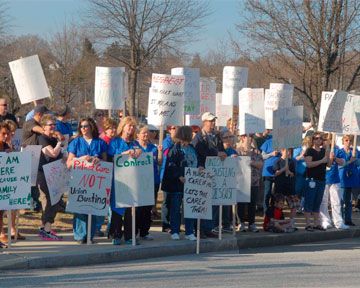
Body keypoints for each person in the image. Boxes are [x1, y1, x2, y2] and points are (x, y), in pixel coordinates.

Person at [67, 117, 107, 244]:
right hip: (79, 179)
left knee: (93, 207)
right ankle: (80, 235)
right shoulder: (76, 142)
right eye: (81, 126)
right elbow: (69, 163)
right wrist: (81, 159)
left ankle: (90, 235)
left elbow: (106, 162)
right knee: (80, 207)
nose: (83, 129)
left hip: (96, 180)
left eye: (86, 126)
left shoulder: (100, 143)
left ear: (91, 127)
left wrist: (99, 160)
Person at [192, 112, 226, 238]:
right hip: (203, 172)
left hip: (215, 173)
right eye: (210, 121)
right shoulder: (198, 138)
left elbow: (221, 149)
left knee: (214, 201)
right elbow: (200, 152)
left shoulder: (216, 137)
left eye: (213, 121)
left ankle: (209, 227)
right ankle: (200, 229)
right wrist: (216, 154)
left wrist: (223, 153)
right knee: (203, 202)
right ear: (204, 122)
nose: (213, 123)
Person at [107, 116, 141, 245]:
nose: (131, 128)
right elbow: (111, 158)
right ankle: (115, 234)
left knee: (130, 210)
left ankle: (129, 236)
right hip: (118, 180)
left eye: (133, 126)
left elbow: (143, 157)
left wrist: (138, 152)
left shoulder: (135, 143)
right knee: (117, 208)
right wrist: (124, 153)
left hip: (131, 181)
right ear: (123, 127)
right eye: (129, 125)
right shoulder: (115, 142)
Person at [162, 126, 198, 241]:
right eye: (191, 133)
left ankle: (189, 231)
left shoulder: (192, 148)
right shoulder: (174, 149)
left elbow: (197, 161)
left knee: (189, 207)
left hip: (191, 183)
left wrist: (200, 167)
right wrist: (179, 176)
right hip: (177, 184)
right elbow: (170, 165)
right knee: (176, 208)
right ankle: (175, 230)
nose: (193, 135)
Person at [37, 115, 65, 240]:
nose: (53, 127)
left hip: (55, 173)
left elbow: (61, 155)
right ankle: (47, 228)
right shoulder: (42, 138)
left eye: (54, 124)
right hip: (43, 173)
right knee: (51, 200)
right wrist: (60, 143)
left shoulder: (53, 139)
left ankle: (44, 228)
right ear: (44, 127)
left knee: (55, 199)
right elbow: (53, 153)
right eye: (50, 125)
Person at [135, 124, 160, 240]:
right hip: (137, 182)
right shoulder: (134, 147)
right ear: (138, 135)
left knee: (147, 208)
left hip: (151, 181)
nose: (145, 135)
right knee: (137, 208)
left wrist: (160, 154)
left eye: (147, 132)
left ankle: (145, 231)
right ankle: (135, 230)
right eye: (143, 133)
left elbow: (157, 162)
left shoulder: (153, 148)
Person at [22, 105, 50, 212]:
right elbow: (37, 129)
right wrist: (49, 130)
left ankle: (35, 203)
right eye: (45, 115)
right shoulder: (30, 122)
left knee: (36, 182)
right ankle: (24, 205)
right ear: (39, 114)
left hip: (38, 156)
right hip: (28, 155)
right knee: (27, 182)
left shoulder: (39, 123)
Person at [319, 134, 348, 230]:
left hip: (335, 179)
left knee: (336, 202)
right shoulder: (319, 150)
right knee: (323, 201)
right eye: (323, 140)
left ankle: (338, 222)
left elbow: (343, 162)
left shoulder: (337, 150)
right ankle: (325, 221)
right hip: (323, 179)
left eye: (326, 140)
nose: (324, 141)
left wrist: (334, 158)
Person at [237, 134, 263, 232]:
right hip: (241, 181)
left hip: (254, 181)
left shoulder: (256, 151)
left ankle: (252, 223)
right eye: (247, 136)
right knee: (241, 203)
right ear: (242, 138)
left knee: (252, 203)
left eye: (251, 137)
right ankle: (241, 223)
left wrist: (250, 162)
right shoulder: (238, 151)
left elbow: (260, 164)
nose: (250, 138)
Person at [303, 132, 328, 231]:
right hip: (312, 179)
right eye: (316, 138)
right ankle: (308, 224)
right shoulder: (309, 150)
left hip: (321, 179)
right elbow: (308, 164)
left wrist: (330, 155)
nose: (318, 140)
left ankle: (316, 223)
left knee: (318, 201)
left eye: (320, 138)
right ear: (313, 140)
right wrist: (321, 161)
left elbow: (329, 164)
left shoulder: (324, 150)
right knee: (309, 201)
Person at [273, 148, 299, 229]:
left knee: (294, 204)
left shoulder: (292, 161)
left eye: (289, 151)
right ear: (282, 151)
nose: (288, 153)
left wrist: (290, 172)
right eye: (286, 151)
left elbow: (294, 174)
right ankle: (277, 222)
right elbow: (275, 173)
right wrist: (283, 169)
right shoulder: (277, 161)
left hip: (290, 186)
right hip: (280, 185)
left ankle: (291, 222)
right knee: (279, 205)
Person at [159, 125, 177, 232]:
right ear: (169, 130)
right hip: (166, 174)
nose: (175, 130)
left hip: (175, 175)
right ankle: (165, 224)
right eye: (173, 128)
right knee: (166, 201)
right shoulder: (167, 141)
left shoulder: (177, 141)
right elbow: (167, 155)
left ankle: (173, 223)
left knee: (174, 201)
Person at [339, 135, 360, 226]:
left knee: (349, 200)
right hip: (342, 178)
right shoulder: (339, 152)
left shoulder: (355, 151)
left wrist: (356, 159)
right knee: (341, 200)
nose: (348, 142)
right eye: (346, 140)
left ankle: (348, 219)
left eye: (350, 140)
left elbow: (359, 163)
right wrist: (350, 161)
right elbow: (339, 165)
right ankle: (340, 219)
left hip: (352, 178)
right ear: (343, 141)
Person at [260, 131, 280, 212]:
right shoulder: (268, 142)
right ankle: (266, 212)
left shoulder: (284, 143)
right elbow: (262, 156)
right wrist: (271, 154)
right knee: (267, 192)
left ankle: (275, 211)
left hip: (279, 171)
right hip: (268, 171)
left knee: (277, 193)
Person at [0, 122, 11, 247]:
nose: (6, 135)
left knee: (1, 211)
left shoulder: (5, 145)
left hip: (3, 184)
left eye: (7, 133)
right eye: (3, 133)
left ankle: (1, 232)